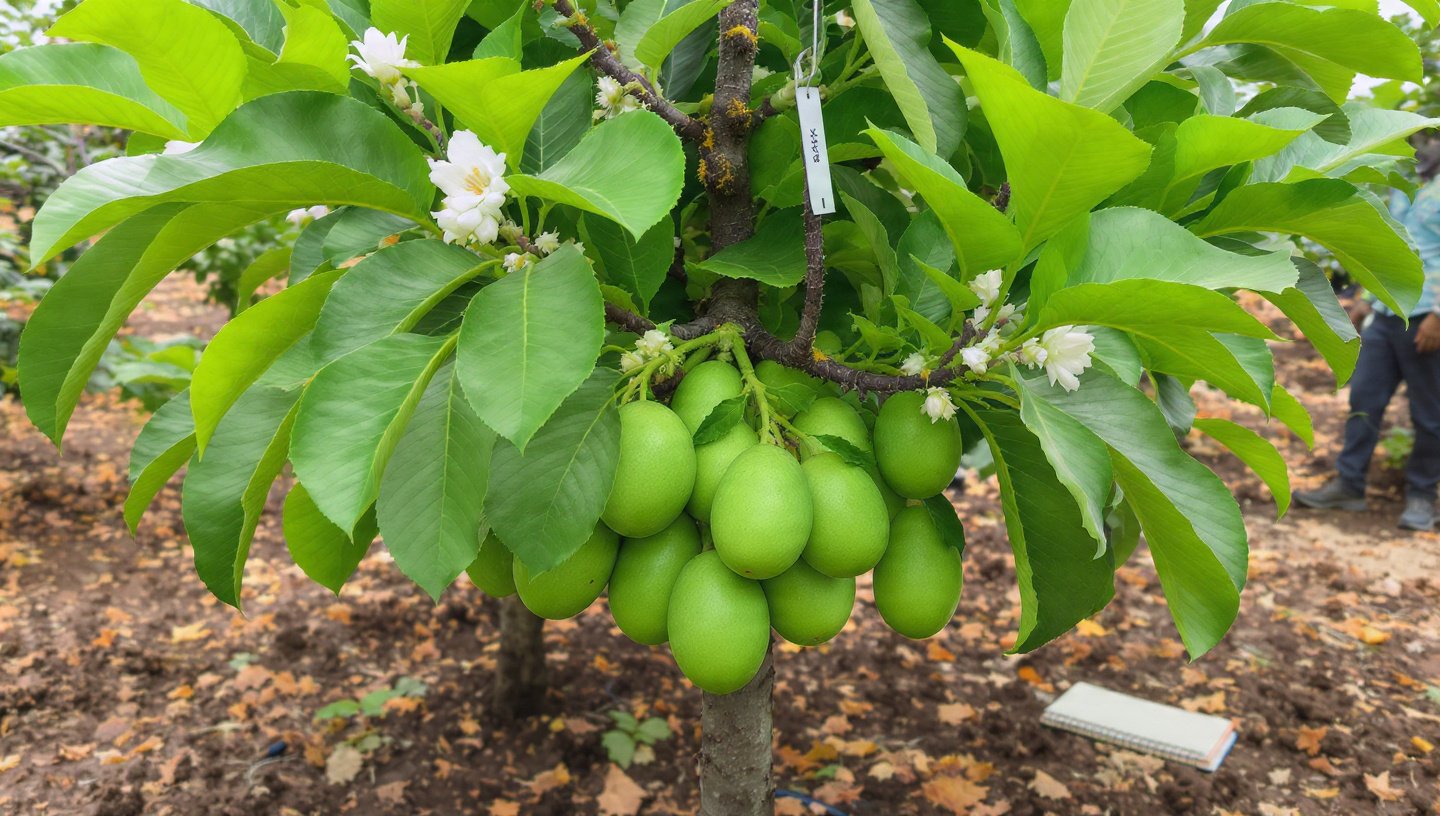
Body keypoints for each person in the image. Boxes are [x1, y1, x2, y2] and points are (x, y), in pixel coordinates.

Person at [1295, 167, 1440, 531]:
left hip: (1428, 318)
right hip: (1388, 312)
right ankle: (1349, 484)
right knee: (1364, 399)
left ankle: (1423, 496)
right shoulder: (1410, 181)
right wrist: (1365, 298)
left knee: (1429, 415)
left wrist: (1439, 314)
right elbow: (1390, 250)